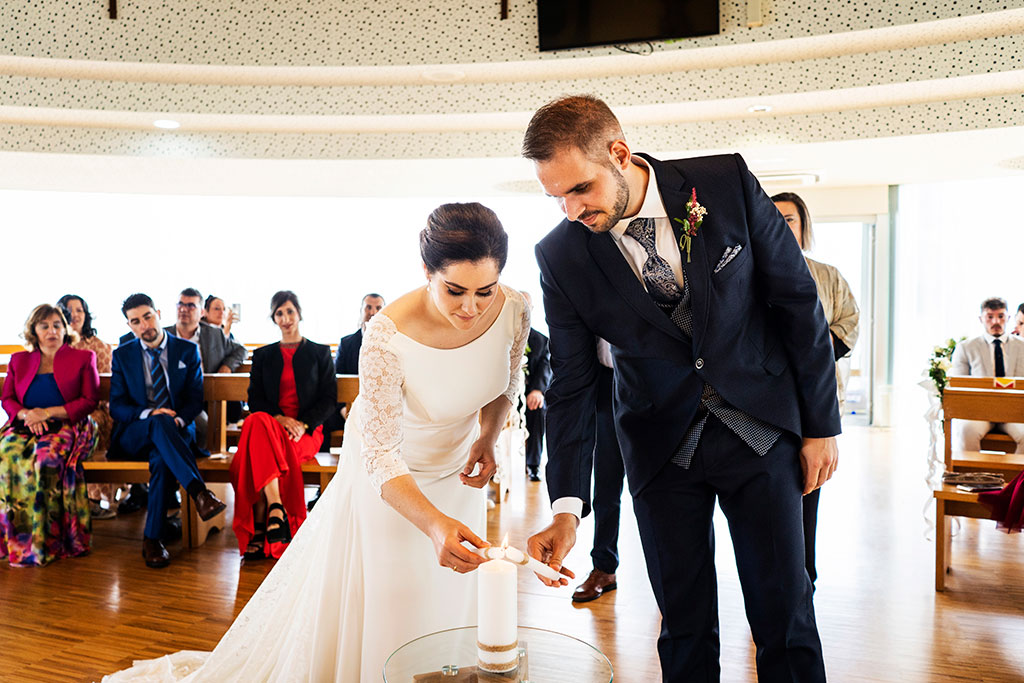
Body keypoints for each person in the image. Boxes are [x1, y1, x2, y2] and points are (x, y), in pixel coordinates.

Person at [102, 203, 537, 682]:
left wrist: (488, 437)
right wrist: (433, 524)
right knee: (395, 600)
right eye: (454, 290)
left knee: (447, 599)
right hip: (392, 481)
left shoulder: (515, 308)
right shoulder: (388, 333)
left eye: (485, 291)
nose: (471, 308)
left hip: (459, 475)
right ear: (425, 271)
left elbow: (505, 379)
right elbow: (379, 452)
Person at [523, 95, 839, 682]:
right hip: (659, 450)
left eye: (581, 190)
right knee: (684, 626)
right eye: (556, 197)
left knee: (785, 616)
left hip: (763, 432)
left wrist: (820, 425)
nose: (570, 210)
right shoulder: (560, 255)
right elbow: (571, 382)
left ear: (619, 153)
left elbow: (798, 304)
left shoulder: (723, 182)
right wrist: (567, 508)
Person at [773, 191, 859, 588]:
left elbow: (849, 322)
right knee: (772, 492)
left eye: (789, 219)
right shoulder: (749, 273)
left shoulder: (827, 275)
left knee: (810, 484)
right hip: (768, 402)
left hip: (814, 401)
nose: (781, 225)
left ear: (804, 226)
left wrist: (810, 350)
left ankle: (805, 573)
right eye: (773, 218)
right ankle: (776, 575)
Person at [108, 293, 227, 569]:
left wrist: (176, 420)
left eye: (147, 316)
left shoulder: (186, 351)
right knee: (158, 422)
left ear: (158, 313)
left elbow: (194, 400)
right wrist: (151, 415)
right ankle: (200, 493)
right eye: (135, 321)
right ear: (130, 326)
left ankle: (152, 540)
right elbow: (117, 407)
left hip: (175, 430)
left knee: (161, 461)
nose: (144, 325)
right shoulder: (123, 355)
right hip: (135, 434)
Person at [230, 291, 335, 561]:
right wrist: (279, 419)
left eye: (289, 311)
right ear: (273, 318)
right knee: (258, 421)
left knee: (256, 434)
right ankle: (277, 509)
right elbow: (255, 399)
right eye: (279, 313)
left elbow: (328, 399)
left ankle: (260, 523)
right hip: (272, 425)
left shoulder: (319, 352)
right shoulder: (264, 355)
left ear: (299, 313)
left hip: (305, 432)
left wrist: (303, 423)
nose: (285, 318)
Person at [0, 304, 99, 566]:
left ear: (65, 329)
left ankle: (47, 542)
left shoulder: (84, 357)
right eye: (44, 326)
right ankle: (16, 541)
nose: (52, 330)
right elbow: (7, 399)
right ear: (34, 330)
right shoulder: (19, 360)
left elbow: (90, 401)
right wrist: (27, 415)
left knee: (45, 460)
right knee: (6, 456)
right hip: (26, 423)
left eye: (57, 324)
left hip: (69, 424)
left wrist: (47, 412)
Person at [573, 338, 625, 603]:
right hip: (605, 386)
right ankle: (604, 569)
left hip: (654, 384)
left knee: (665, 490)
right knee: (605, 486)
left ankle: (676, 573)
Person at [57, 293, 117, 520]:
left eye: (79, 310)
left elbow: (103, 391)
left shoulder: (97, 347)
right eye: (68, 310)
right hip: (59, 409)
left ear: (86, 315)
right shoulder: (54, 345)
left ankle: (92, 499)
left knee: (88, 424)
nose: (74, 315)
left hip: (95, 409)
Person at [950, 297, 1024, 454]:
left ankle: (1014, 478)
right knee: (966, 429)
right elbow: (958, 385)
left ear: (1008, 318)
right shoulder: (966, 347)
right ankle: (971, 477)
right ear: (981, 319)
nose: (996, 321)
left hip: (1015, 413)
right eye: (990, 317)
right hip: (979, 412)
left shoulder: (1022, 346)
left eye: (1001, 316)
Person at [520, 292, 551, 482]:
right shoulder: (500, 337)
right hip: (505, 396)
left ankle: (533, 464)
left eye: (527, 307)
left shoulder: (541, 341)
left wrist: (538, 391)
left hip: (529, 393)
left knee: (538, 410)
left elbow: (545, 367)